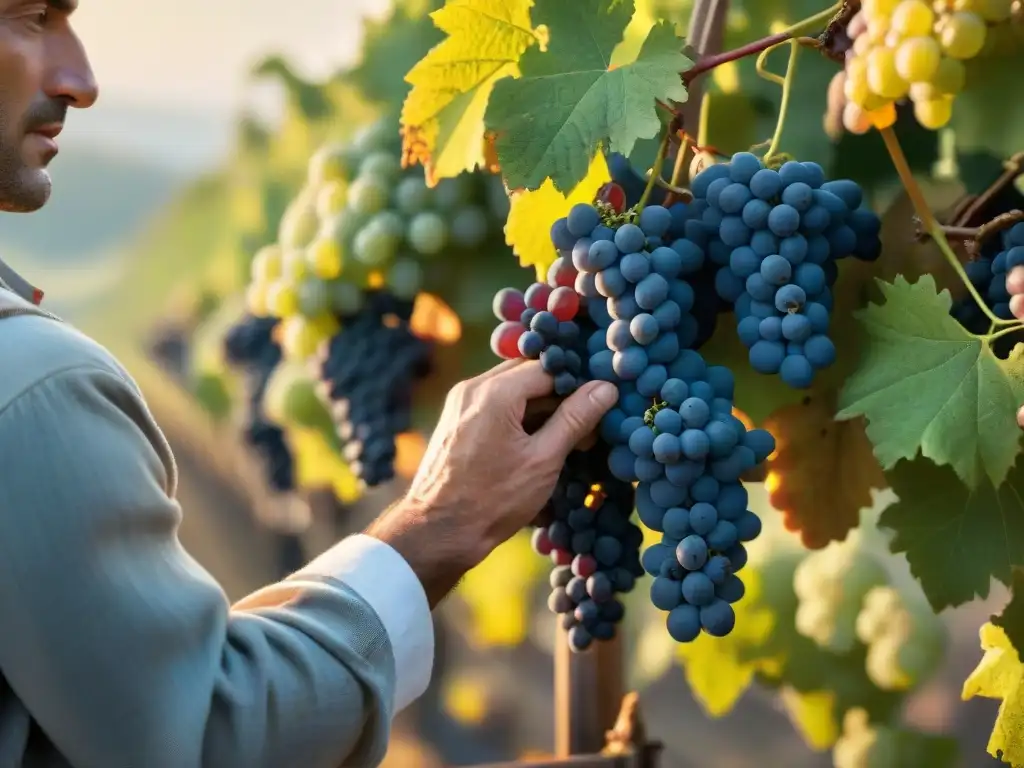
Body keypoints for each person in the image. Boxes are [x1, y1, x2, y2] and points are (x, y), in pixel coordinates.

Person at [0, 4, 620, 768]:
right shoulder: (30, 392)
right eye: (30, 16)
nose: (82, 80)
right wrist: (437, 523)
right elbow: (205, 742)